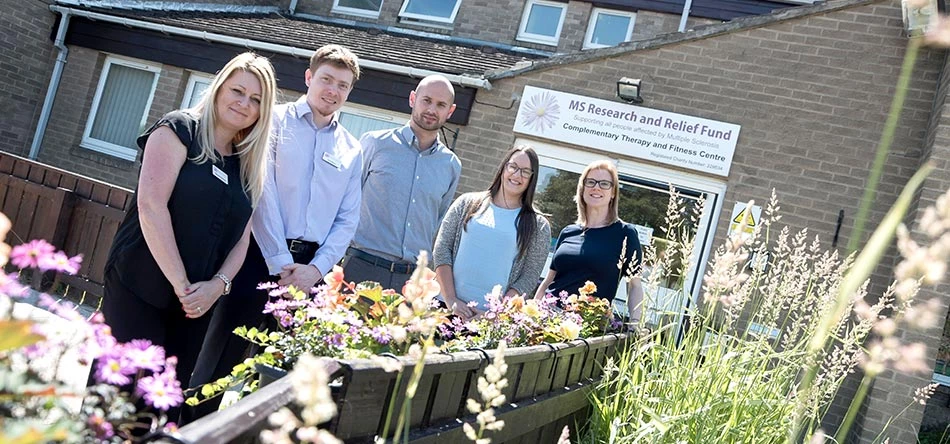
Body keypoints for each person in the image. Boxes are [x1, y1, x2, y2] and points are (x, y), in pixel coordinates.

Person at [185, 44, 362, 421]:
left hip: (310, 273)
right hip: (255, 259)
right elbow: (259, 192)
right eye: (327, 79)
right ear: (309, 78)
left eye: (343, 85)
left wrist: (315, 271)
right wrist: (282, 263)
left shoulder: (352, 148)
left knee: (284, 379)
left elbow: (348, 219)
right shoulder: (272, 122)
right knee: (219, 362)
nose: (333, 90)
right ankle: (190, 431)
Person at [99, 52, 276, 420]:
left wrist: (218, 285)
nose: (244, 103)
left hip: (195, 304)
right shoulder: (179, 130)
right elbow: (151, 206)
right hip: (140, 285)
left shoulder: (247, 162)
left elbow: (242, 239)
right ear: (219, 88)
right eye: (238, 91)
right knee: (121, 397)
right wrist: (181, 282)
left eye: (256, 99)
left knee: (165, 405)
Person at [343, 75, 461, 289]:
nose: (432, 110)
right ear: (412, 99)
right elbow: (346, 201)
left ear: (450, 111)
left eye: (441, 105)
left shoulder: (451, 166)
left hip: (412, 281)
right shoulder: (375, 143)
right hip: (361, 267)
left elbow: (437, 222)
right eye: (426, 100)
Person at [433, 145, 551, 320]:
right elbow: (442, 249)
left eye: (525, 172)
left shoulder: (538, 226)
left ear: (532, 178)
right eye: (513, 167)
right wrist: (451, 299)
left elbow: (528, 278)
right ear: (504, 167)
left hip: (487, 321)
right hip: (444, 308)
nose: (517, 175)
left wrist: (495, 315)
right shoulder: (467, 203)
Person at [533, 160, 645, 323]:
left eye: (604, 183)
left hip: (587, 324)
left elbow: (634, 285)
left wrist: (635, 323)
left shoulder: (625, 234)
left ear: (613, 192)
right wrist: (532, 312)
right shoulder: (568, 232)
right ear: (582, 188)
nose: (596, 187)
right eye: (590, 182)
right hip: (547, 316)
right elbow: (549, 280)